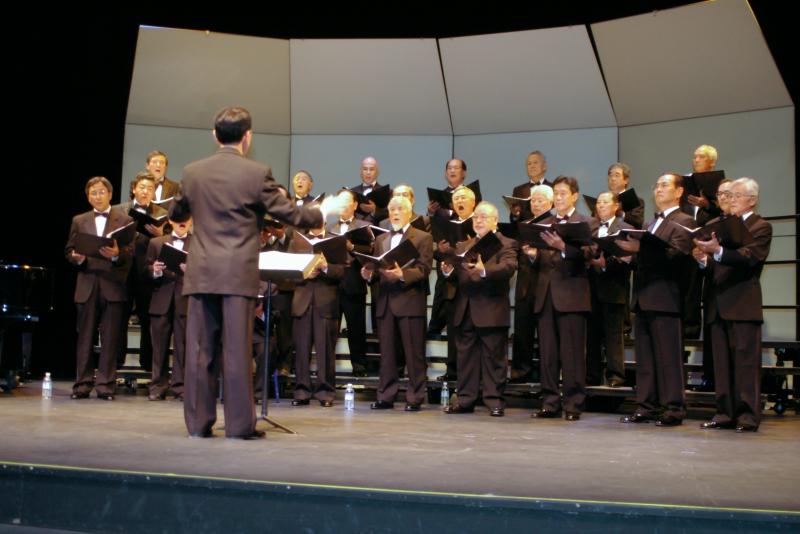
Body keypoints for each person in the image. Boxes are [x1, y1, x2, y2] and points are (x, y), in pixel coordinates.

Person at [169, 106, 345, 439]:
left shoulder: (192, 172)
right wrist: (324, 210)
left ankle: (198, 424)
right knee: (237, 351)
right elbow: (292, 214)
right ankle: (239, 426)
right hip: (237, 273)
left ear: (215, 135)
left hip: (202, 271)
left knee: (200, 351)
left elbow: (177, 213)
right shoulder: (256, 173)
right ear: (247, 137)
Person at [695, 178, 772, 432]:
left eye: (737, 195)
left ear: (752, 200)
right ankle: (724, 413)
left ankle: (747, 416)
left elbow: (750, 257)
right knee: (722, 364)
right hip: (718, 302)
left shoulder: (761, 226)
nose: (731, 199)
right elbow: (716, 265)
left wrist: (718, 251)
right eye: (729, 195)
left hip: (742, 303)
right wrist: (704, 258)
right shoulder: (723, 225)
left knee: (745, 364)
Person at [619, 173, 694, 427]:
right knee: (646, 358)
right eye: (656, 185)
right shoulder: (651, 222)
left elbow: (675, 256)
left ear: (679, 192)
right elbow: (646, 258)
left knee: (669, 358)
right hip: (643, 297)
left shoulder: (685, 221)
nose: (658, 190)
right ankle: (646, 406)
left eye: (664, 185)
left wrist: (640, 250)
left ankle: (673, 408)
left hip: (666, 298)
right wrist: (628, 256)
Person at [530, 176, 596, 421]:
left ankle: (573, 404)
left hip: (572, 295)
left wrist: (563, 248)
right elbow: (540, 261)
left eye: (563, 193)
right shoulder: (544, 223)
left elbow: (591, 252)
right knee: (547, 353)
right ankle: (549, 402)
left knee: (572, 354)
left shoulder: (586, 222)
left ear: (574, 196)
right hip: (546, 294)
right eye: (555, 193)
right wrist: (532, 255)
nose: (558, 198)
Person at [443, 201, 517, 417]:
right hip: (465, 309)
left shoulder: (506, 243)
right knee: (466, 358)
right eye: (476, 217)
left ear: (495, 220)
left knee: (494, 358)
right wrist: (448, 271)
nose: (478, 220)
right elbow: (458, 276)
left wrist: (485, 271)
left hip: (491, 310)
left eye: (484, 217)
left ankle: (494, 400)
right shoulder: (463, 246)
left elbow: (509, 268)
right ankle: (465, 400)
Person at [65, 177, 134, 400]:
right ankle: (82, 384)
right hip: (87, 284)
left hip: (112, 285)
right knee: (84, 337)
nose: (98, 196)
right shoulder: (79, 220)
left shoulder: (125, 219)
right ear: (88, 197)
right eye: (93, 193)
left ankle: (105, 386)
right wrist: (76, 258)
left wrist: (116, 255)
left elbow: (130, 253)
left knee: (111, 338)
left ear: (110, 194)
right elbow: (69, 250)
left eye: (101, 192)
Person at [362, 196, 433, 411]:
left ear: (409, 212)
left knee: (414, 354)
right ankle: (386, 396)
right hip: (386, 303)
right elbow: (377, 269)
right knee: (387, 354)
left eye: (400, 209)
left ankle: (415, 397)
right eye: (392, 209)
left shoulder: (423, 237)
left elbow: (424, 269)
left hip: (410, 302)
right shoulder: (381, 239)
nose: (395, 213)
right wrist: (368, 274)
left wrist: (403, 275)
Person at [288, 224, 345, 407]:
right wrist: (305, 274)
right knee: (301, 350)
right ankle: (301, 392)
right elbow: (288, 273)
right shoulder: (296, 241)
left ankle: (325, 393)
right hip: (302, 301)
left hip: (326, 302)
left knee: (325, 350)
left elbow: (342, 271)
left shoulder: (335, 240)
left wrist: (326, 267)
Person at [118, 171, 168, 371]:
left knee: (148, 319)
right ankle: (116, 363)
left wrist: (160, 234)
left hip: (147, 272)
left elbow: (171, 243)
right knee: (119, 318)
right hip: (122, 270)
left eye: (150, 188)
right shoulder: (119, 210)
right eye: (142, 187)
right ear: (134, 189)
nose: (146, 191)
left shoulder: (161, 213)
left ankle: (148, 367)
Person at [586, 192, 634, 387]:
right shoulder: (591, 227)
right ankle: (592, 375)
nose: (600, 205)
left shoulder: (625, 228)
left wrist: (607, 264)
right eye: (598, 202)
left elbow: (629, 259)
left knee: (613, 336)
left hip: (614, 287)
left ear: (616, 206)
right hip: (591, 287)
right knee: (592, 335)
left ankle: (616, 375)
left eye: (605, 202)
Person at [144, 215, 193, 401]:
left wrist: (192, 271)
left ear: (191, 221)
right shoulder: (156, 242)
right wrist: (155, 270)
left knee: (183, 346)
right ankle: (158, 386)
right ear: (171, 221)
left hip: (185, 301)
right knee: (159, 347)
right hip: (161, 300)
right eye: (178, 219)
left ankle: (181, 386)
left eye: (186, 218)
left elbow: (207, 272)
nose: (182, 222)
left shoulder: (198, 243)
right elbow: (145, 270)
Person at [509, 184, 553, 383]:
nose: (535, 204)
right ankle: (520, 373)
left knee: (547, 335)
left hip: (546, 284)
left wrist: (536, 254)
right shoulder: (524, 224)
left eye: (540, 200)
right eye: (533, 200)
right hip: (525, 283)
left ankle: (548, 377)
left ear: (550, 203)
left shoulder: (554, 224)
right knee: (522, 331)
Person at [434, 185, 477, 382]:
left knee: (472, 332)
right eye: (456, 198)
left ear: (473, 202)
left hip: (475, 286)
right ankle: (452, 371)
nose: (459, 201)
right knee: (453, 330)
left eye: (463, 198)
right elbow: (439, 256)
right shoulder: (447, 225)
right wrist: (441, 250)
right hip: (453, 285)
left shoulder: (480, 223)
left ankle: (473, 374)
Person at [328, 190, 372, 377]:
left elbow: (370, 251)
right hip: (332, 284)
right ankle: (327, 366)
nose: (343, 205)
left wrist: (352, 247)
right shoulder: (329, 227)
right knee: (330, 328)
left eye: (346, 201)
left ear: (354, 205)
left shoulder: (364, 226)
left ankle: (359, 365)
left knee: (356, 328)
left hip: (354, 282)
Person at [509, 151, 551, 222]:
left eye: (535, 163)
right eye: (529, 164)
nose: (532, 166)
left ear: (544, 166)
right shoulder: (518, 190)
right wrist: (515, 214)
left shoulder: (554, 188)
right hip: (525, 228)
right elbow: (513, 221)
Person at [351, 156, 389, 225]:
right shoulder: (352, 192)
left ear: (377, 172)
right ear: (360, 172)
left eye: (371, 169)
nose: (368, 172)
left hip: (377, 231)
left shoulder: (386, 192)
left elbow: (389, 216)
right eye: (365, 169)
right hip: (355, 230)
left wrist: (374, 210)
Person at [607, 163, 645, 229]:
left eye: (617, 175)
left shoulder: (635, 200)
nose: (613, 178)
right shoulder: (603, 200)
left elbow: (637, 223)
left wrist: (621, 213)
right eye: (610, 175)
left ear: (626, 180)